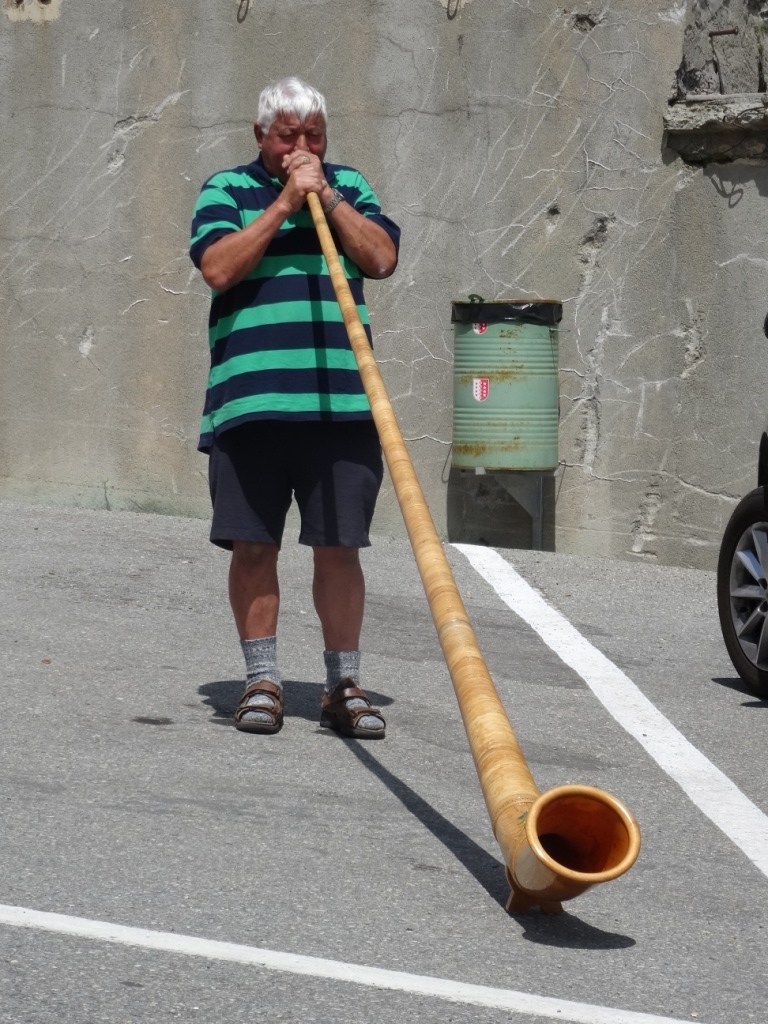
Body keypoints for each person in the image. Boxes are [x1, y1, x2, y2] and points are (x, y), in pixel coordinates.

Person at [189, 77, 400, 738]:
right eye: (288, 136)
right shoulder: (227, 191)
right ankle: (262, 681)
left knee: (340, 548)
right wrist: (284, 203)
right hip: (252, 404)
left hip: (341, 406)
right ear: (262, 137)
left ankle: (342, 685)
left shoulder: (351, 187)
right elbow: (219, 269)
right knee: (253, 546)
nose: (301, 148)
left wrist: (327, 196)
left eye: (313, 136)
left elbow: (381, 256)